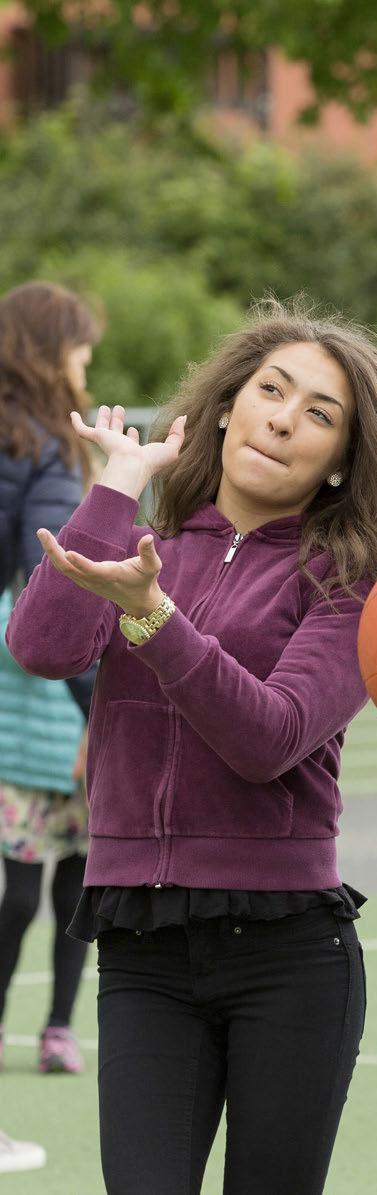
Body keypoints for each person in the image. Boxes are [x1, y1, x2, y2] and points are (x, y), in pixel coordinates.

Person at [8, 300, 377, 1195]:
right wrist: (113, 486)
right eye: (271, 390)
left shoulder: (353, 582)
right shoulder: (144, 546)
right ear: (224, 407)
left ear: (339, 463)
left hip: (286, 952)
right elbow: (42, 645)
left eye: (320, 414)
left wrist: (154, 618)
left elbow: (271, 736)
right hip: (141, 943)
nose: (285, 417)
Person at [0, 281, 100, 1076]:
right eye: (81, 351)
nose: (87, 365)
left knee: (59, 872)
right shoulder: (47, 443)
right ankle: (49, 1025)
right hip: (37, 703)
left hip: (35, 707)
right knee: (34, 885)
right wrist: (103, 710)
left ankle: (56, 1022)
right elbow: (54, 598)